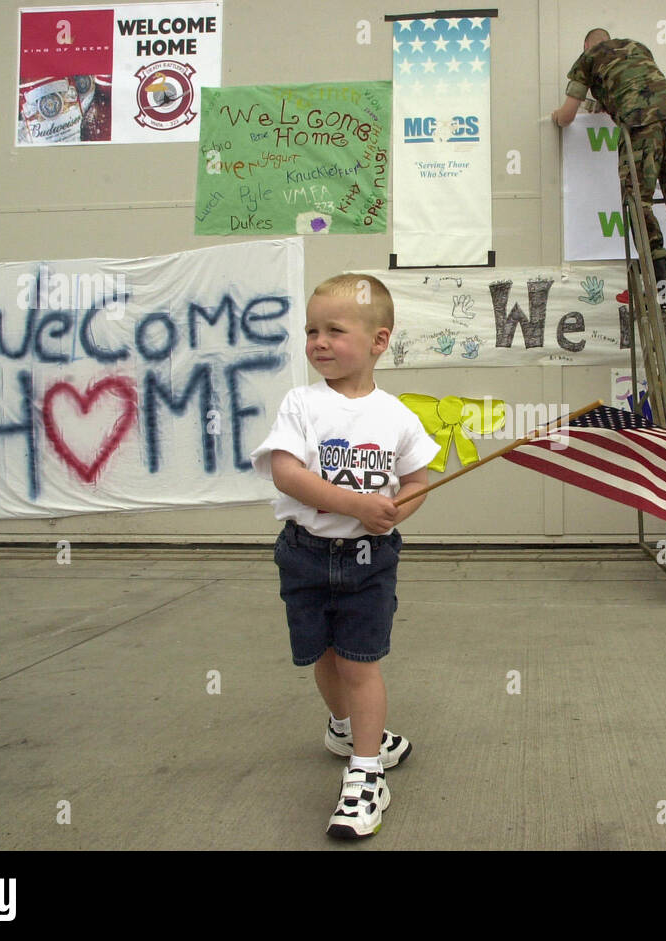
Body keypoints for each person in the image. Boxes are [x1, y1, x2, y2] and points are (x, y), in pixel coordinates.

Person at [250, 273, 440, 837]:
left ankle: (365, 771)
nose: (318, 342)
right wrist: (356, 503)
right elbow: (286, 473)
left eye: (334, 330)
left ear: (380, 341)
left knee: (360, 660)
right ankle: (344, 728)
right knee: (324, 656)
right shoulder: (301, 404)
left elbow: (417, 481)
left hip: (368, 560)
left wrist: (393, 513)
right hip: (303, 555)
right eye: (312, 330)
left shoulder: (397, 415)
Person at [551, 28, 666, 293]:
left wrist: (556, 117)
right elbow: (636, 84)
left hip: (640, 124)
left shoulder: (588, 59)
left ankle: (660, 274)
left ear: (587, 45)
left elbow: (567, 115)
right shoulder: (638, 48)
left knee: (638, 201)